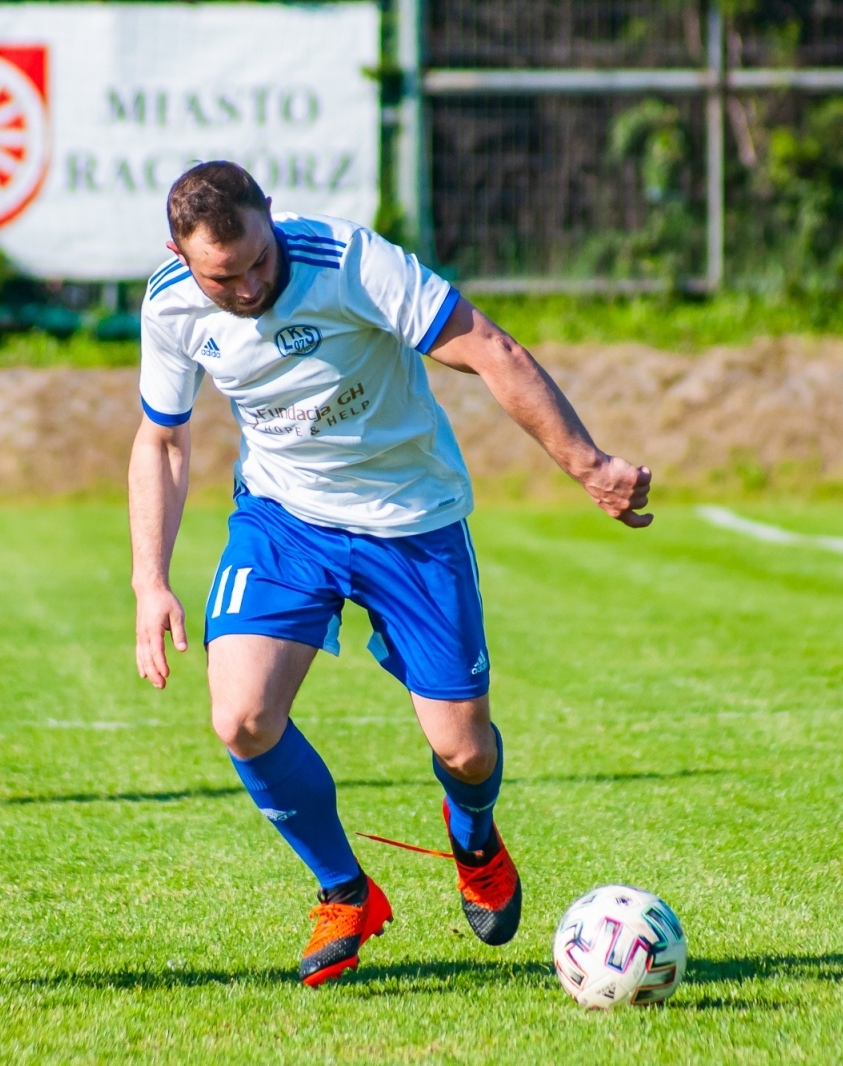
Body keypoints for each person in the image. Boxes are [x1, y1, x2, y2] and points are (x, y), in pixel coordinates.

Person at [129, 161, 652, 985]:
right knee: (241, 719)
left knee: (465, 750)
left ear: (271, 216)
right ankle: (344, 891)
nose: (250, 285)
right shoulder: (171, 304)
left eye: (260, 260)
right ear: (180, 255)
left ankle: (474, 840)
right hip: (284, 520)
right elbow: (162, 439)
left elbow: (489, 348)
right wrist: (149, 580)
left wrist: (587, 463)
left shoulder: (351, 263)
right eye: (224, 276)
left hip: (411, 519)